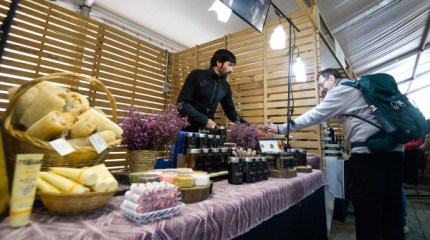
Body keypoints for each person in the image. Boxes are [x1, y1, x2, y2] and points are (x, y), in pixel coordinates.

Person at [261, 68, 405, 240]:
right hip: (395, 153)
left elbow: (315, 115)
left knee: (368, 212)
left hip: (369, 156)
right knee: (392, 210)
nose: (321, 90)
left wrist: (280, 128)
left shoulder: (341, 91)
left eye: (322, 85)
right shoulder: (360, 90)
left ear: (331, 78)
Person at [176, 49, 247, 132]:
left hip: (207, 133)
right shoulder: (196, 75)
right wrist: (206, 121)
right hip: (185, 129)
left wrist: (250, 127)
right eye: (229, 65)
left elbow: (231, 112)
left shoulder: (225, 86)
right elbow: (182, 104)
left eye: (232, 66)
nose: (231, 70)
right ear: (219, 63)